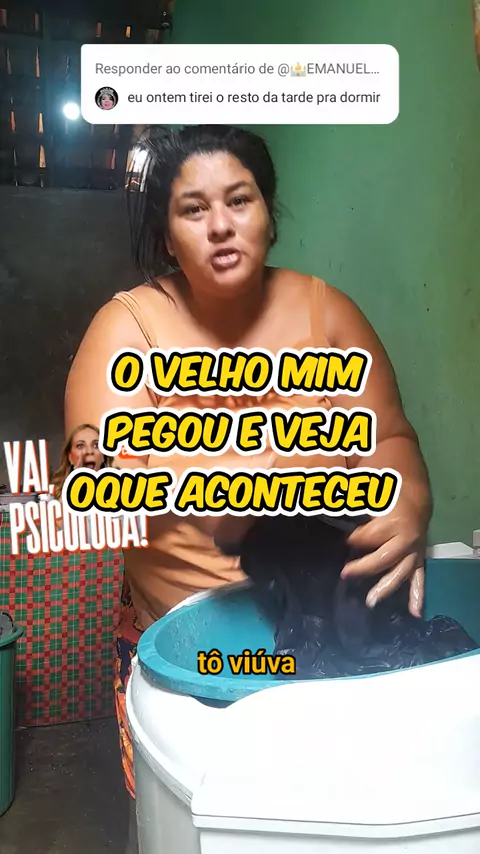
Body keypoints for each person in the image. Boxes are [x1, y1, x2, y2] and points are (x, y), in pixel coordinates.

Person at [64, 124, 432, 850]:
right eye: (193, 209)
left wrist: (409, 500)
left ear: (268, 211)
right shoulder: (127, 328)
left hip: (327, 630)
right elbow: (96, 464)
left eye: (240, 200)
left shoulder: (326, 313)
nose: (221, 225)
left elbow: (391, 438)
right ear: (167, 236)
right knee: (196, 827)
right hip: (189, 652)